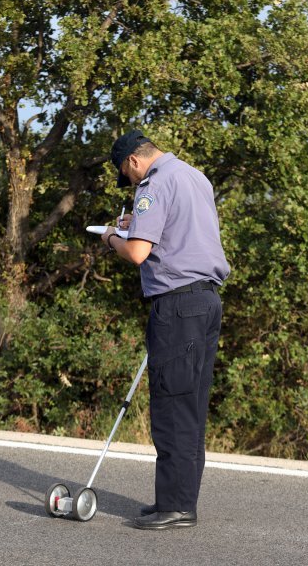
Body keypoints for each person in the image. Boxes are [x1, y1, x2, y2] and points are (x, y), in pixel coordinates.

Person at [100, 130, 230, 530]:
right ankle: (177, 501)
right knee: (190, 404)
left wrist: (110, 238)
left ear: (135, 162)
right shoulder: (195, 176)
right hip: (207, 301)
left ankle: (175, 507)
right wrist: (135, 222)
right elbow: (181, 231)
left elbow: (138, 252)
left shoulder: (152, 185)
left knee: (172, 405)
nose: (132, 182)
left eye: (128, 175)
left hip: (177, 304)